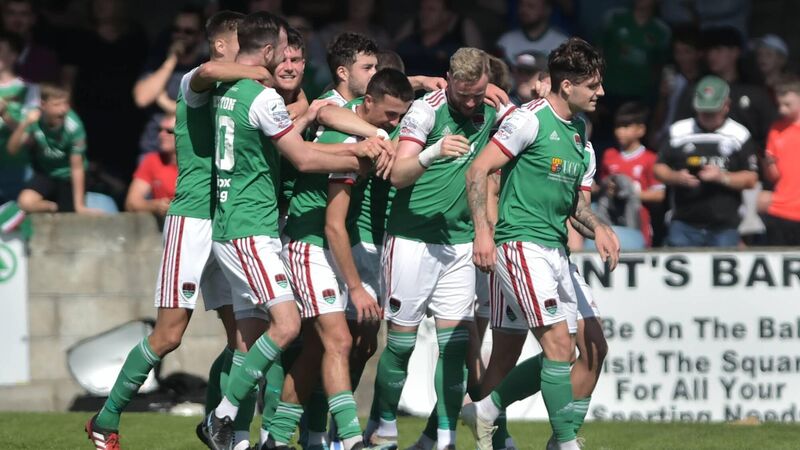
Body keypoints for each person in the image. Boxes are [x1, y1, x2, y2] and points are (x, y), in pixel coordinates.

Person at [83, 12, 273, 450]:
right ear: (222, 45)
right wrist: (261, 69)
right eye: (238, 43)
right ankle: (106, 418)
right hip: (192, 220)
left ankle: (224, 430)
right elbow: (207, 71)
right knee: (169, 334)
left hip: (230, 222)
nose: (248, 52)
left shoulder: (245, 92)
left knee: (245, 336)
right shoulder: (196, 81)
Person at [200, 12, 390, 450]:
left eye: (297, 59)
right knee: (281, 335)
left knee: (274, 343)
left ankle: (270, 436)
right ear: (267, 53)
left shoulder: (233, 91)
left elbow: (322, 114)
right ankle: (231, 420)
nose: (288, 65)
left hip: (256, 226)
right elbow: (306, 152)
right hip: (265, 229)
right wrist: (359, 153)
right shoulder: (266, 99)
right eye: (281, 56)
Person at [463, 37, 618, 450]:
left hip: (556, 250)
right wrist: (483, 232)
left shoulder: (578, 132)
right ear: (567, 86)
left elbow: (574, 205)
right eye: (593, 85)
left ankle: (488, 408)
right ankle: (565, 443)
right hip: (520, 244)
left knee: (593, 346)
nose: (601, 93)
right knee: (556, 345)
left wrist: (598, 226)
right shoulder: (529, 120)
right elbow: (479, 170)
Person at [365, 47, 514, 450]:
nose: (470, 102)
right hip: (412, 240)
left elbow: (526, 128)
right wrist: (433, 152)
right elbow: (397, 174)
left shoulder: (492, 106)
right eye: (463, 94)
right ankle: (383, 430)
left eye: (477, 93)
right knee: (401, 343)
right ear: (447, 79)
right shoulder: (425, 111)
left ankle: (444, 440)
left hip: (460, 244)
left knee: (455, 346)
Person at [265, 68, 414, 450]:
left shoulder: (364, 126)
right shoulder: (348, 144)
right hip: (308, 245)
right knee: (339, 340)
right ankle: (349, 439)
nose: (394, 125)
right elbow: (333, 224)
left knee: (318, 349)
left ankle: (278, 438)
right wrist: (356, 288)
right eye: (389, 116)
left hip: (323, 246)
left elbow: (332, 110)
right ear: (367, 102)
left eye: (400, 117)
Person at [655, 75, 759, 247]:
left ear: (726, 106)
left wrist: (722, 177)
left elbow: (751, 178)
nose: (708, 116)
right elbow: (659, 167)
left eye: (713, 111)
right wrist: (675, 177)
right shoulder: (678, 131)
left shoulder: (739, 135)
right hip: (683, 224)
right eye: (704, 111)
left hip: (725, 227)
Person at [62, 0, 148, 196]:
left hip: (125, 119)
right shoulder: (78, 36)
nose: (100, 5)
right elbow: (68, 80)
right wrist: (70, 115)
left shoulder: (135, 37)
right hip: (87, 117)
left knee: (121, 175)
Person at [674, 26, 776, 147]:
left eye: (718, 50)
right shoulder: (695, 90)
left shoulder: (754, 92)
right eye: (709, 50)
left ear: (735, 52)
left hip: (745, 160)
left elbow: (770, 134)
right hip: (699, 156)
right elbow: (680, 128)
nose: (711, 55)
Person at [8, 83, 96, 214]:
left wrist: (79, 206)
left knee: (69, 215)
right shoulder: (35, 120)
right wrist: (24, 123)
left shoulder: (74, 126)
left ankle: (64, 206)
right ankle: (53, 207)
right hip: (47, 173)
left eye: (65, 104)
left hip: (68, 176)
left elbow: (77, 167)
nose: (63, 110)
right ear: (43, 105)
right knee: (25, 202)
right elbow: (12, 150)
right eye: (57, 105)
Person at [133, 6, 206, 155]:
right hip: (153, 148)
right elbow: (142, 99)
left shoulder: (205, 68)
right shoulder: (158, 63)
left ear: (200, 36)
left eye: (188, 32)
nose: (180, 35)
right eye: (176, 30)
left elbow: (201, 111)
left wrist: (164, 102)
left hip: (190, 152)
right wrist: (171, 59)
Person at [599, 102, 664, 247]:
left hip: (639, 222)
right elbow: (602, 185)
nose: (620, 132)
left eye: (626, 127)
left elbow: (660, 194)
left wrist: (629, 192)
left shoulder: (650, 158)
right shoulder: (609, 156)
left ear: (640, 130)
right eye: (618, 127)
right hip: (611, 219)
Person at [600, 0, 671, 108]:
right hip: (607, 89)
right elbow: (597, 51)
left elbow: (660, 66)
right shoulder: (614, 17)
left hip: (639, 94)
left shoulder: (662, 31)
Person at [394, 0, 483, 77]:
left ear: (447, 15)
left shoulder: (455, 48)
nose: (425, 14)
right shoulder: (408, 43)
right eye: (423, 9)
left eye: (431, 10)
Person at [0, 30, 38, 203]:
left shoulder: (30, 89)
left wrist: (5, 115)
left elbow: (31, 138)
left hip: (19, 170)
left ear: (14, 56)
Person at [762, 76, 800, 245]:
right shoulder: (776, 129)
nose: (782, 109)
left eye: (788, 104)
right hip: (780, 209)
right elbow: (774, 176)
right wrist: (769, 163)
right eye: (779, 105)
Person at [124, 114, 177, 218]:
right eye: (159, 130)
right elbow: (131, 202)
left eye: (169, 131)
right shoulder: (152, 160)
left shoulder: (200, 163)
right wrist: (155, 205)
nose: (162, 134)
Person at [495, 0, 568, 67]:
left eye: (531, 6)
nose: (524, 10)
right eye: (521, 5)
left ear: (547, 10)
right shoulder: (505, 42)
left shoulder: (561, 43)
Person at [1, 0, 60, 83]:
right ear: (3, 17)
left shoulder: (46, 58)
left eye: (24, 14)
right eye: (11, 13)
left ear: (33, 19)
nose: (17, 19)